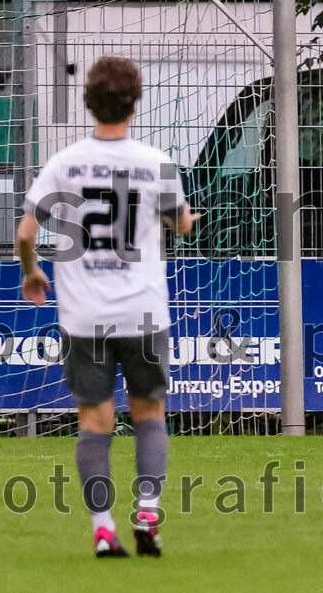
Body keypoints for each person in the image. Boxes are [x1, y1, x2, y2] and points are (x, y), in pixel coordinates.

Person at [15, 55, 199, 558]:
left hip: (84, 316)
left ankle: (103, 530)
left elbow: (27, 233)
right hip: (142, 310)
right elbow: (180, 222)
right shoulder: (154, 162)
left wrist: (33, 271)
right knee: (149, 412)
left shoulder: (64, 163)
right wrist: (184, 219)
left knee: (94, 421)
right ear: (135, 103)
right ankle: (146, 513)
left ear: (87, 101)